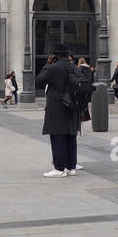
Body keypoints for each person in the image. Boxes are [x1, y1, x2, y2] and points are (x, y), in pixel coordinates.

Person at [37, 44, 78, 176]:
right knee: (70, 136)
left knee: (57, 135)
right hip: (72, 106)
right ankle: (71, 167)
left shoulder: (54, 68)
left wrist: (47, 65)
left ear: (55, 55)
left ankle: (59, 168)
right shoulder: (74, 67)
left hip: (57, 106)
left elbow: (38, 81)